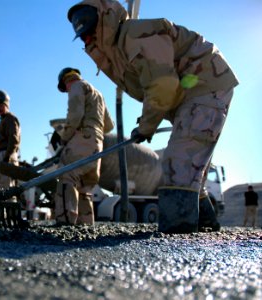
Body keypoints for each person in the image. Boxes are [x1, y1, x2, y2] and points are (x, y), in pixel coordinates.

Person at [67, 0, 238, 233]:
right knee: (190, 170)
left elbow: (162, 85)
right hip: (188, 95)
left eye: (91, 32)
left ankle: (178, 236)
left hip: (204, 84)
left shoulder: (135, 35)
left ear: (105, 19)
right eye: (83, 37)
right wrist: (147, 123)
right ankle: (206, 227)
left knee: (178, 164)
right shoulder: (116, 49)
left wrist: (146, 126)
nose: (88, 40)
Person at [55, 67, 114, 225]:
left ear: (65, 81)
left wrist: (65, 138)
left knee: (67, 175)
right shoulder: (98, 94)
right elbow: (109, 125)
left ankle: (65, 224)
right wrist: (94, 128)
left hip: (83, 137)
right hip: (97, 142)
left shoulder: (76, 86)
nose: (67, 91)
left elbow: (75, 115)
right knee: (85, 187)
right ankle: (86, 227)